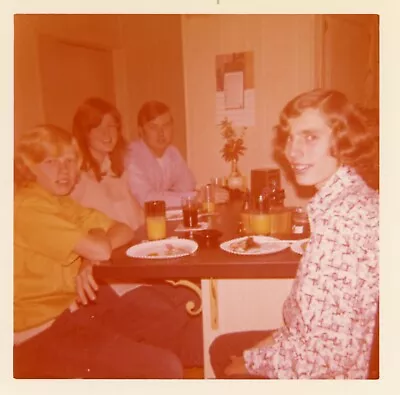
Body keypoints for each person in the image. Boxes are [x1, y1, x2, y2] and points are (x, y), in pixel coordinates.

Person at [209, 88, 379, 379]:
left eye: (310, 137)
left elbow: (327, 356)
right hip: (307, 343)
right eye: (290, 137)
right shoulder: (347, 197)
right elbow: (310, 324)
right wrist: (271, 343)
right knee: (226, 347)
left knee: (224, 353)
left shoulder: (343, 221)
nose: (292, 151)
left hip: (329, 375)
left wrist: (251, 362)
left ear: (342, 141)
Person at [13, 125, 202, 379]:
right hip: (37, 333)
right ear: (29, 167)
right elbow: (101, 249)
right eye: (50, 161)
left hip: (75, 310)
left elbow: (121, 229)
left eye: (69, 160)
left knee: (184, 334)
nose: (64, 170)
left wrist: (91, 253)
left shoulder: (62, 202)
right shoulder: (27, 208)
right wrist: (94, 248)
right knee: (163, 367)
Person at [125, 100, 229, 207]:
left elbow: (188, 185)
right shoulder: (132, 157)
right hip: (138, 222)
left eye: (166, 125)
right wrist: (196, 197)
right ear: (140, 131)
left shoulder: (172, 152)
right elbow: (148, 199)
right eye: (153, 127)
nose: (161, 133)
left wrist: (203, 193)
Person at [71, 97, 144, 231]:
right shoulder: (77, 176)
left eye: (111, 126)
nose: (106, 133)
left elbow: (139, 218)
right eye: (97, 126)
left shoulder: (116, 171)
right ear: (84, 132)